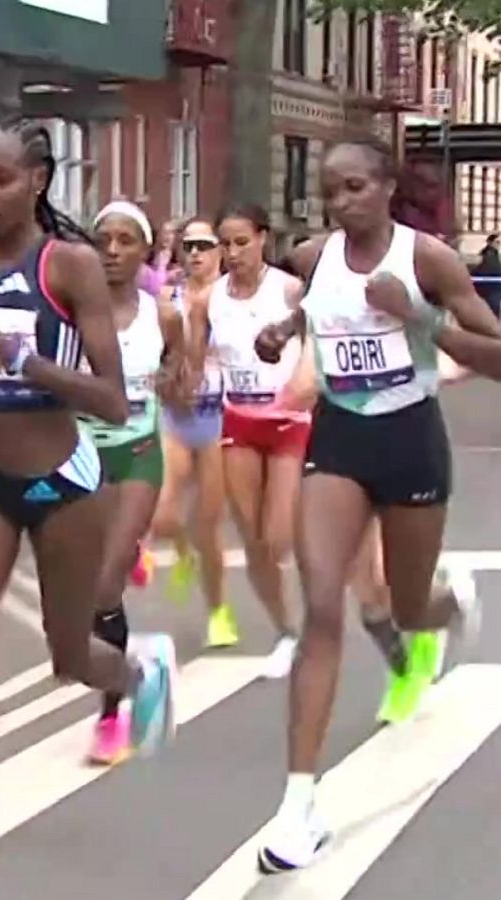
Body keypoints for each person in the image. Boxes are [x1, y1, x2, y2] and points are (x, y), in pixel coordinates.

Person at [0, 121, 176, 900]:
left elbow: (112, 400)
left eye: (0, 181)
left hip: (61, 479)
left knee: (70, 658)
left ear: (39, 179)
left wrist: (17, 354)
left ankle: (138, 668)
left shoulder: (70, 267)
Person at [253, 137, 501, 873]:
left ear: (388, 186)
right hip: (338, 438)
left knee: (407, 605)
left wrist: (418, 318)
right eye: (331, 190)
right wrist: (282, 332)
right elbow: (315, 310)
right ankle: (297, 808)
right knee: (323, 606)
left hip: (410, 439)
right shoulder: (311, 258)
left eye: (357, 187)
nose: (342, 202)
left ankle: (446, 602)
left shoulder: (427, 260)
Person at [78, 202, 188, 767]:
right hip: (79, 460)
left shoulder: (162, 314)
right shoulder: (70, 315)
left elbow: (178, 373)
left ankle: (111, 714)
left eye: (126, 240)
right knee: (88, 597)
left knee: (102, 587)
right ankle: (141, 666)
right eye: (104, 239)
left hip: (136, 457)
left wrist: (170, 379)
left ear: (146, 252)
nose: (113, 250)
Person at [207, 204, 310, 679]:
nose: (232, 253)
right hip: (239, 419)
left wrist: (307, 382)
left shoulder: (288, 291)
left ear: (263, 239)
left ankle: (318, 584)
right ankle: (288, 630)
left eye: (241, 242)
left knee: (277, 536)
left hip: (288, 418)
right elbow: (201, 355)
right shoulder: (211, 298)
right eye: (225, 244)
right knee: (253, 540)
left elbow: (318, 337)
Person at [150, 217, 231, 646]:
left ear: (221, 250)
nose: (196, 253)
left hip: (219, 416)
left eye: (204, 245)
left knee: (208, 526)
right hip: (176, 413)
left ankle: (219, 611)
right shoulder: (168, 297)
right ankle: (181, 552)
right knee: (161, 512)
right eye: (188, 246)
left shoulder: (233, 296)